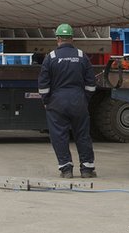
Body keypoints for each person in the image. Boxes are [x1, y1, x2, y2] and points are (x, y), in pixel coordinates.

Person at [38, 23, 97, 179]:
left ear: (57, 39)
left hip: (57, 102)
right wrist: (85, 99)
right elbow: (91, 83)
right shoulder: (81, 56)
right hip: (78, 100)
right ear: (72, 38)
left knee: (59, 135)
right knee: (82, 135)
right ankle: (87, 169)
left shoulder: (50, 57)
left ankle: (66, 169)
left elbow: (43, 84)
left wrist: (46, 101)